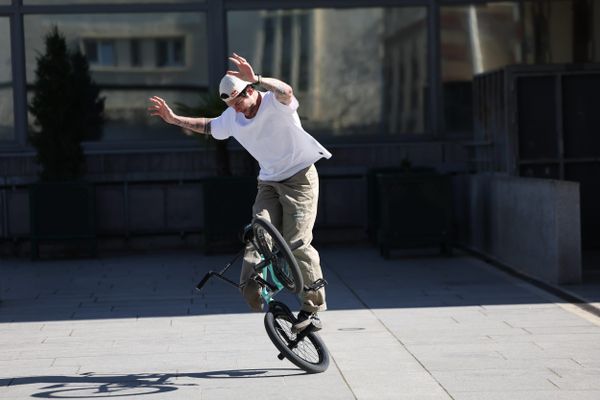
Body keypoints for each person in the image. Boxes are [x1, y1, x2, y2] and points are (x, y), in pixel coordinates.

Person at [148, 53, 331, 332]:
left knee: (297, 242)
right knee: (258, 233)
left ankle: (312, 308)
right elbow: (208, 125)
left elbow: (287, 91)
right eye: (231, 106)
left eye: (239, 102)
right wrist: (174, 120)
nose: (237, 110)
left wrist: (257, 77)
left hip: (300, 178)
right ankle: (255, 293)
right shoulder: (232, 116)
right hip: (269, 182)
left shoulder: (275, 103)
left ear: (250, 91)